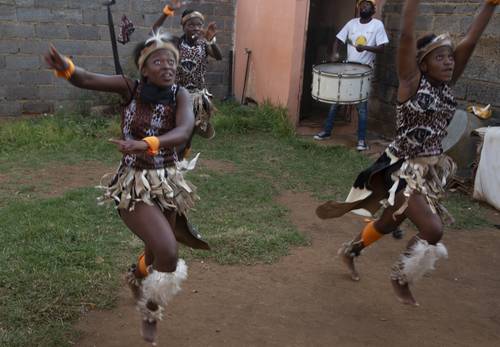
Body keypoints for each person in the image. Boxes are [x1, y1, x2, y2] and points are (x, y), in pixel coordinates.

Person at [316, 0, 498, 305]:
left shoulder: (446, 84)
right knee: (432, 229)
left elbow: (470, 40)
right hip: (403, 170)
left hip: (429, 171)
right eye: (440, 58)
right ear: (423, 63)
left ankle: (350, 251)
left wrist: (490, 6)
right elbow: (406, 37)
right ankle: (401, 276)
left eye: (450, 58)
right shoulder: (411, 83)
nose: (449, 62)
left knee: (389, 222)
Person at [44, 31, 209, 344]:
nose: (168, 66)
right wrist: (65, 67)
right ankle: (150, 312)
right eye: (158, 61)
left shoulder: (181, 96)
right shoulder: (129, 88)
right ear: (144, 69)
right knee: (168, 252)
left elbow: (185, 129)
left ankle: (136, 277)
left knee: (155, 251)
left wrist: (147, 143)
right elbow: (86, 79)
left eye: (171, 61)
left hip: (169, 183)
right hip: (134, 185)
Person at [314, 0, 389, 151]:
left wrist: (365, 48)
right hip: (348, 68)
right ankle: (327, 132)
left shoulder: (377, 25)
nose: (364, 7)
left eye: (367, 6)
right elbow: (338, 39)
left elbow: (382, 48)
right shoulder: (352, 23)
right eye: (362, 5)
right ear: (358, 8)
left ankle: (361, 140)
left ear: (373, 9)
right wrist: (335, 53)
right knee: (336, 100)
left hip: (364, 71)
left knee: (361, 107)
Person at [153, 1, 223, 145]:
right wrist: (167, 11)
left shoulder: (204, 44)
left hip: (198, 97)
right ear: (183, 27)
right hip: (178, 95)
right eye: (191, 25)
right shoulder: (176, 43)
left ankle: (182, 155)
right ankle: (174, 155)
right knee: (179, 130)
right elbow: (155, 31)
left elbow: (219, 56)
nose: (196, 28)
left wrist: (211, 41)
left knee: (190, 132)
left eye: (199, 25)